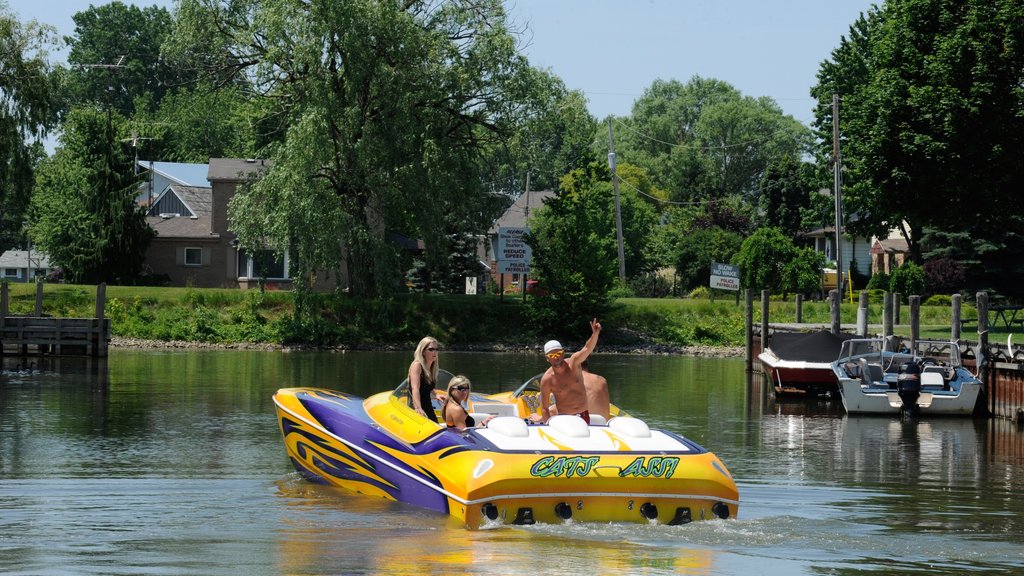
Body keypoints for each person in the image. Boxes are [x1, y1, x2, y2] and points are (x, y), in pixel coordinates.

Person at [540, 318, 601, 424]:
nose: (556, 357)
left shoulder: (574, 363)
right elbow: (545, 408)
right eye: (552, 355)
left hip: (583, 415)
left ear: (563, 353)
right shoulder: (547, 379)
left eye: (558, 354)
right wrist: (548, 427)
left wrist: (595, 334)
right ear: (547, 358)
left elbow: (587, 348)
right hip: (564, 418)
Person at [409, 336, 441, 422]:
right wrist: (418, 408)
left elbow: (427, 384)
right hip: (417, 406)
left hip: (428, 406)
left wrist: (436, 394)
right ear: (423, 351)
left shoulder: (431, 367)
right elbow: (415, 388)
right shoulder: (417, 365)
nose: (435, 352)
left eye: (436, 349)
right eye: (431, 349)